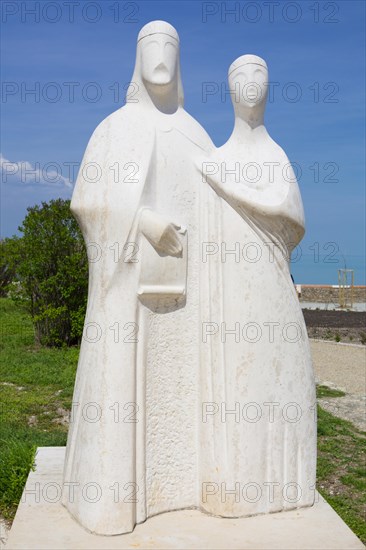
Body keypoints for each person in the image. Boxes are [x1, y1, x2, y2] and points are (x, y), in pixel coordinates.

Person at [62, 21, 213, 535]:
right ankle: (114, 500)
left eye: (171, 43)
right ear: (136, 57)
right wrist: (143, 220)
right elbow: (87, 200)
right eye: (151, 44)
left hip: (184, 297)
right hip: (126, 293)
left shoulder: (198, 135)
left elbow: (217, 210)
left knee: (179, 392)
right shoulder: (113, 129)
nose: (161, 55)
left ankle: (182, 487)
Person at [198, 55, 317, 517]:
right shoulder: (214, 161)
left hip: (270, 289)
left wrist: (230, 188)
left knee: (278, 380)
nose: (251, 84)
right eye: (241, 76)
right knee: (239, 385)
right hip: (230, 298)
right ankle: (233, 483)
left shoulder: (275, 156)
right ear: (229, 88)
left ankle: (282, 485)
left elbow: (291, 217)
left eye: (260, 75)